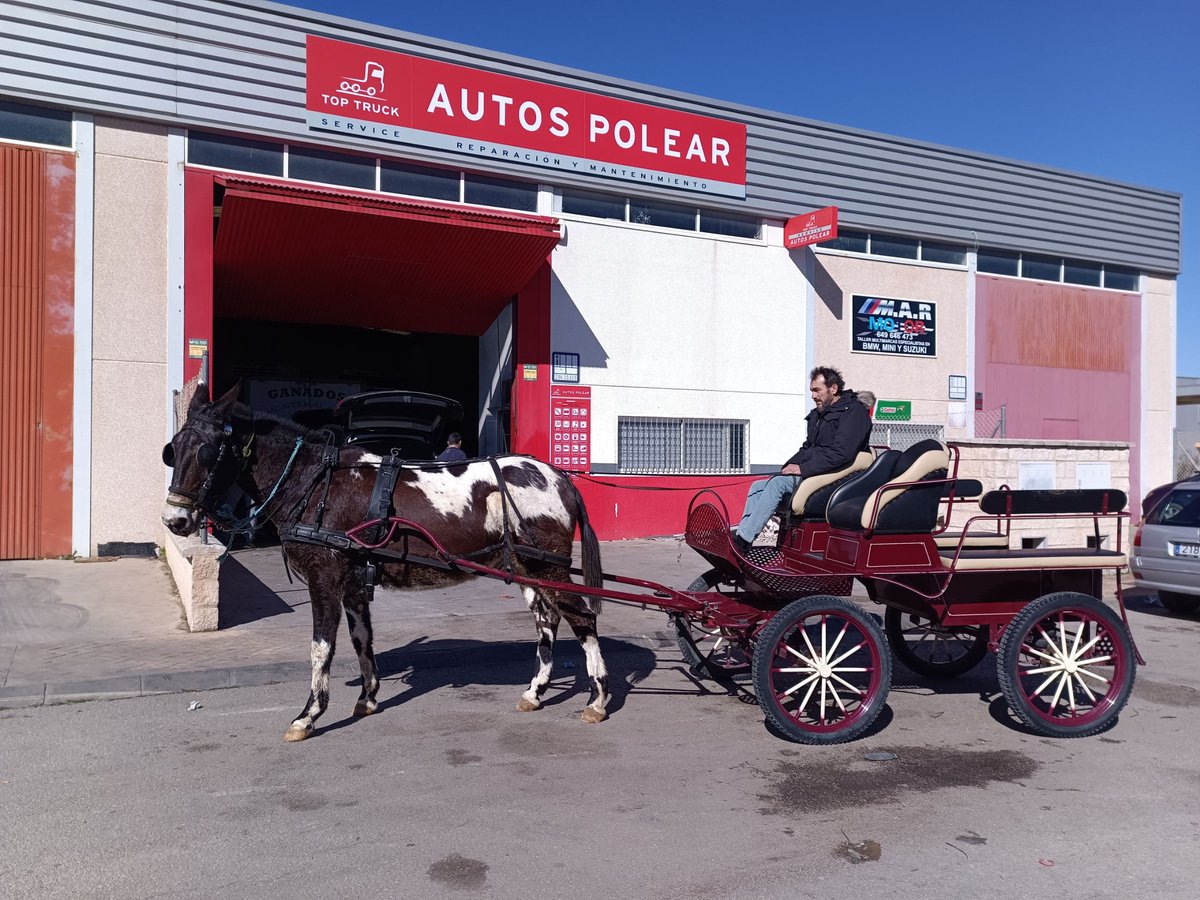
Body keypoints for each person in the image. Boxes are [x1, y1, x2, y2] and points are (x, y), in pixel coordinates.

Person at [733, 366, 872, 554]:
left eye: (817, 390)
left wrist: (802, 469)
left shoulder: (853, 412)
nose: (813, 396)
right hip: (819, 471)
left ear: (833, 388)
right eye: (811, 391)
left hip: (838, 476)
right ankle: (743, 536)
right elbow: (808, 447)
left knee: (777, 485)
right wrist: (787, 466)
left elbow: (842, 453)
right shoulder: (819, 414)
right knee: (758, 486)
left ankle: (743, 542)